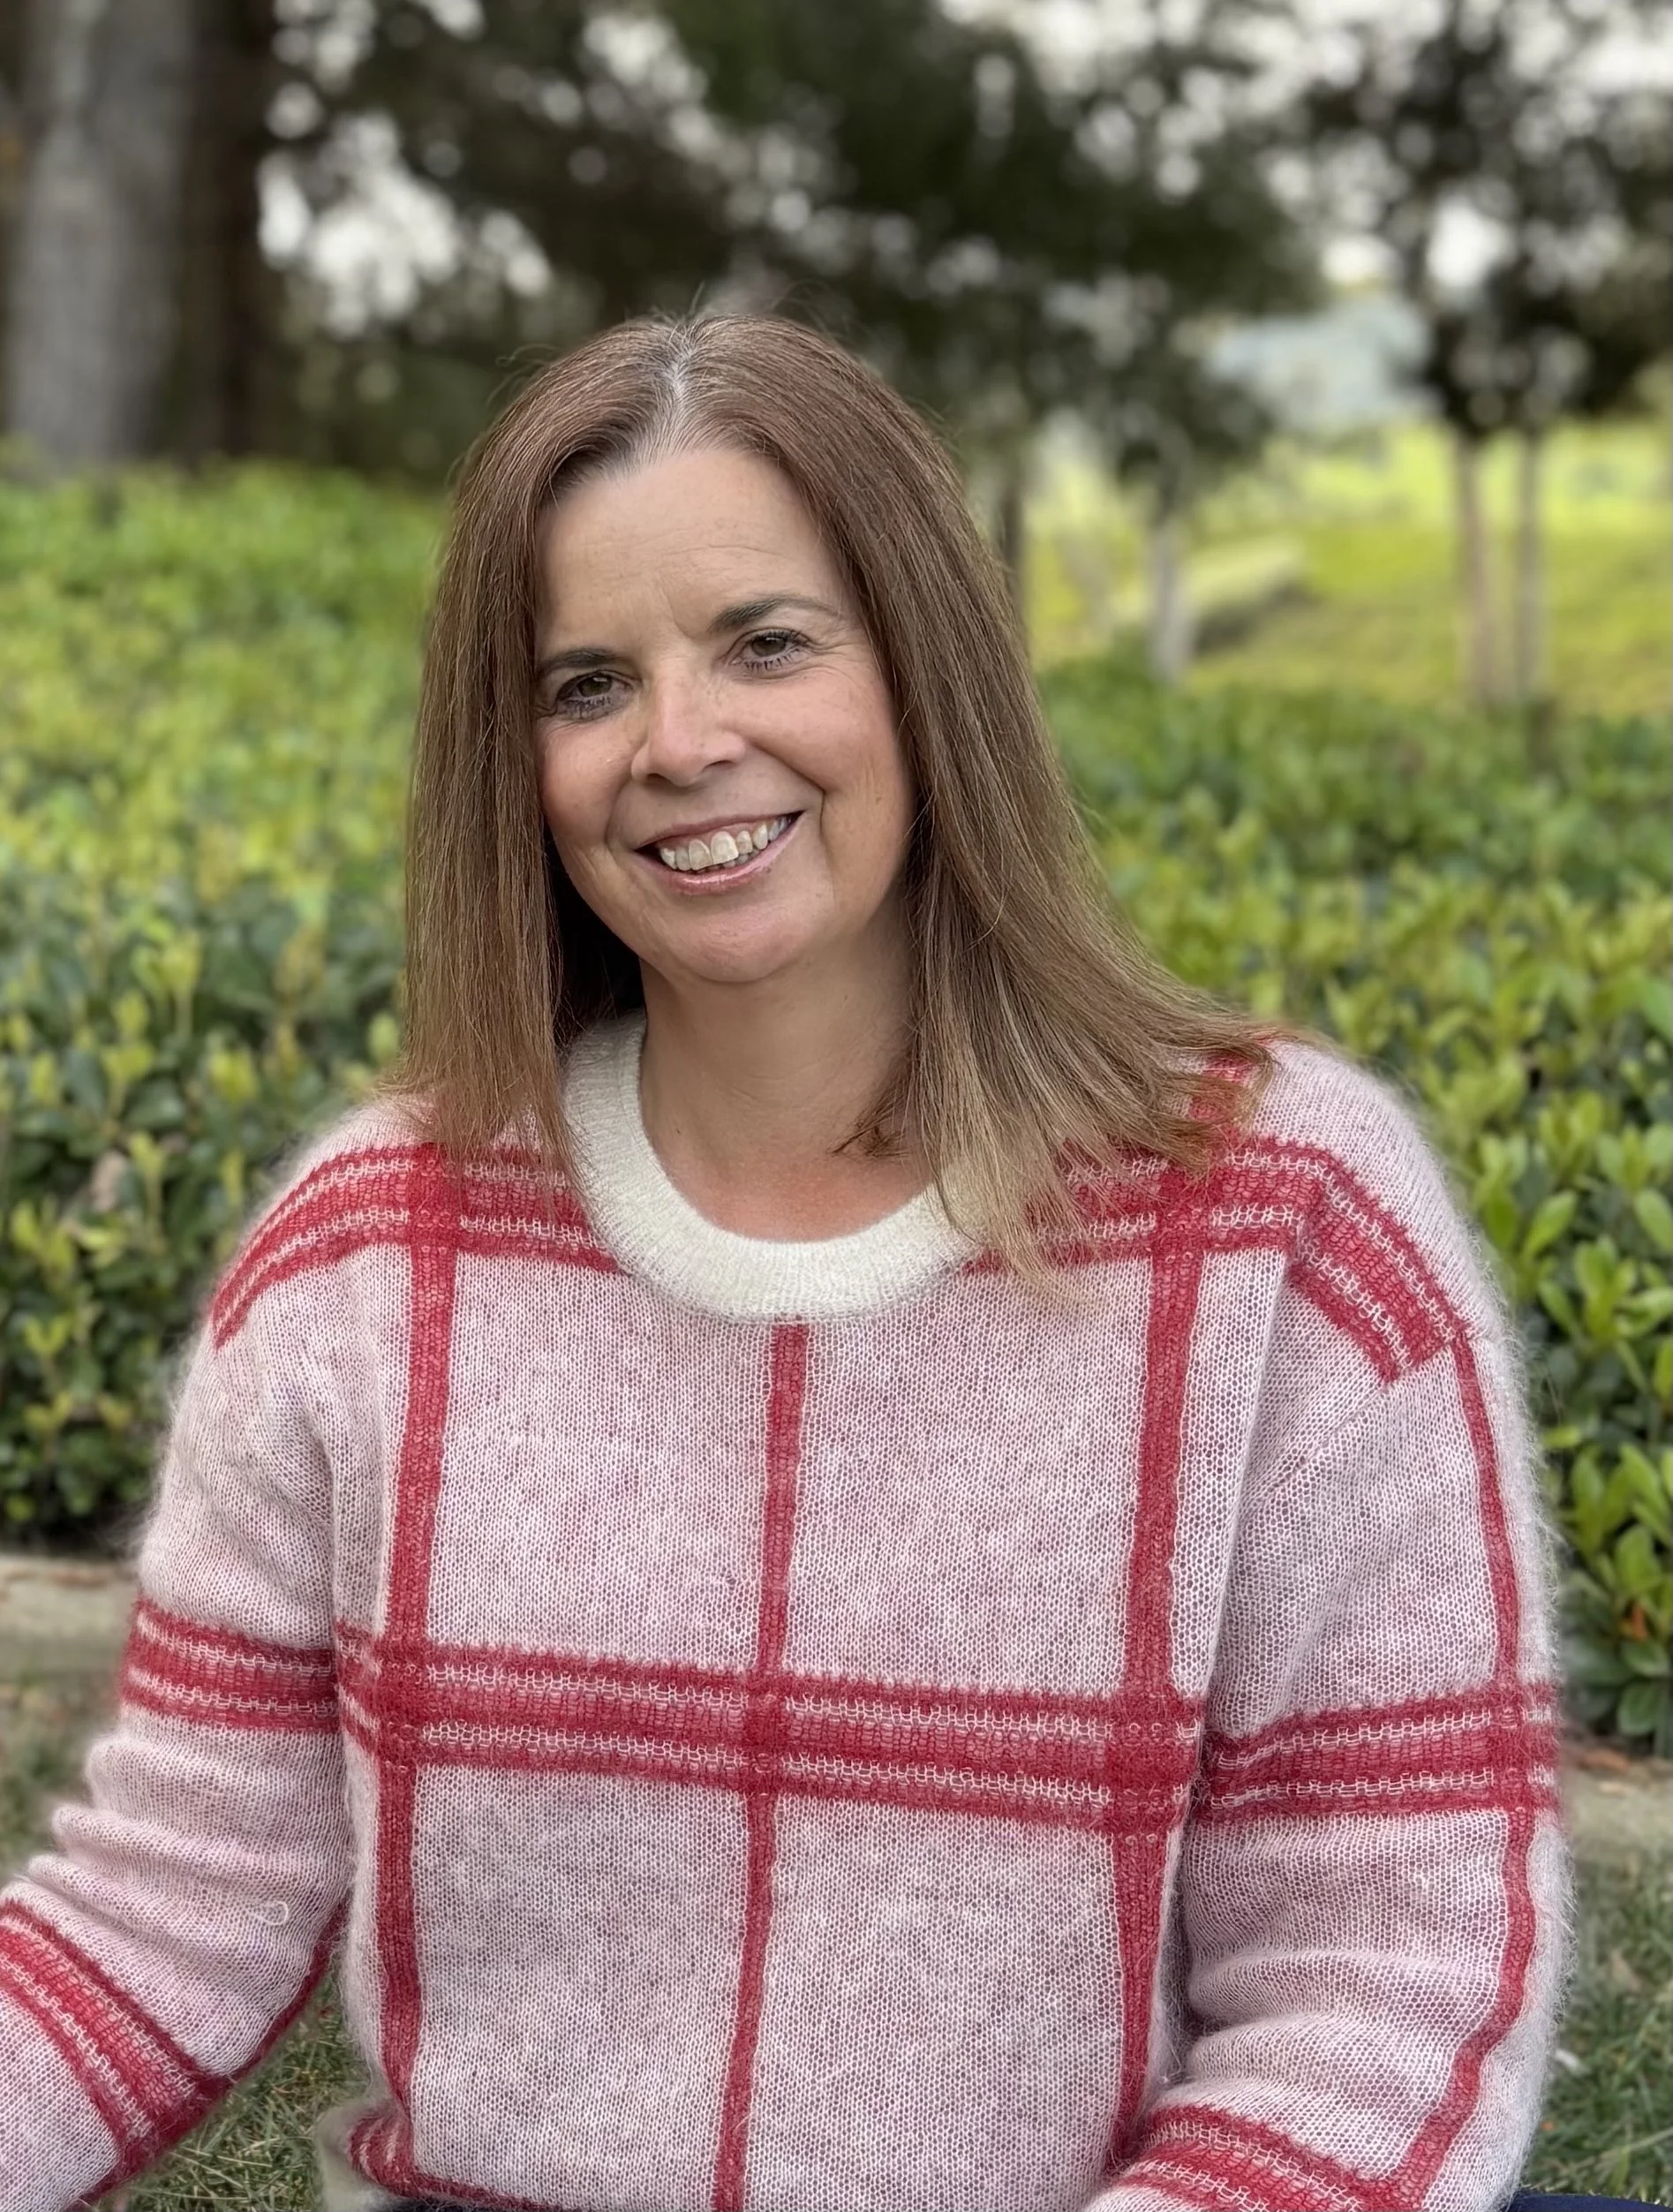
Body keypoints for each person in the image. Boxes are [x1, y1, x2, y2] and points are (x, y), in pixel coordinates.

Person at [0, 312, 1619, 2212]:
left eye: (766, 644)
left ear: (926, 669)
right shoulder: (367, 1248)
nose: (681, 743)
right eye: (588, 683)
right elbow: (160, 1910)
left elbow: (1388, 1979)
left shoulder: (1285, 1224)